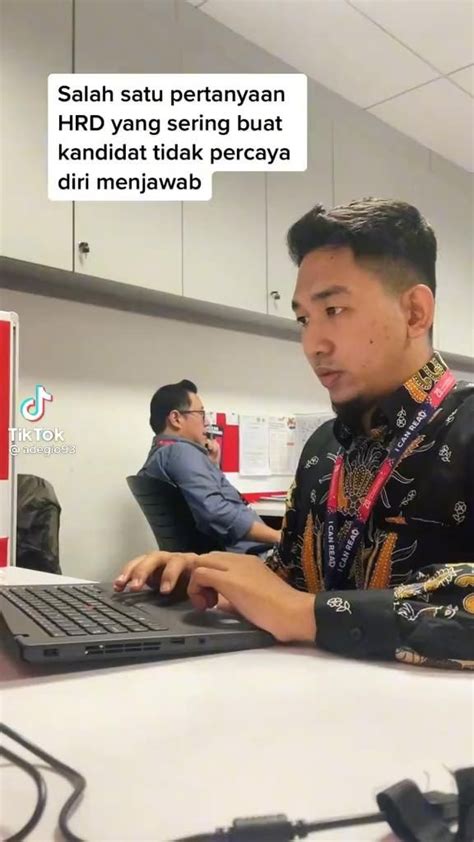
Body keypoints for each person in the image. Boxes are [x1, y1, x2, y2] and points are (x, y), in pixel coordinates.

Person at [117, 199, 473, 669]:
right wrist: (212, 579)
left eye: (335, 309)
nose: (311, 345)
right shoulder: (324, 447)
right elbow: (290, 577)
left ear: (414, 312)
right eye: (304, 319)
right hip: (302, 704)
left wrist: (303, 614)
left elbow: (297, 605)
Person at [138, 379, 281, 555]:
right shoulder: (181, 452)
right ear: (176, 418)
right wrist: (277, 536)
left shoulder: (160, 455)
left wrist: (211, 465)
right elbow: (216, 513)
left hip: (229, 554)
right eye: (201, 413)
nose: (206, 422)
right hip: (247, 557)